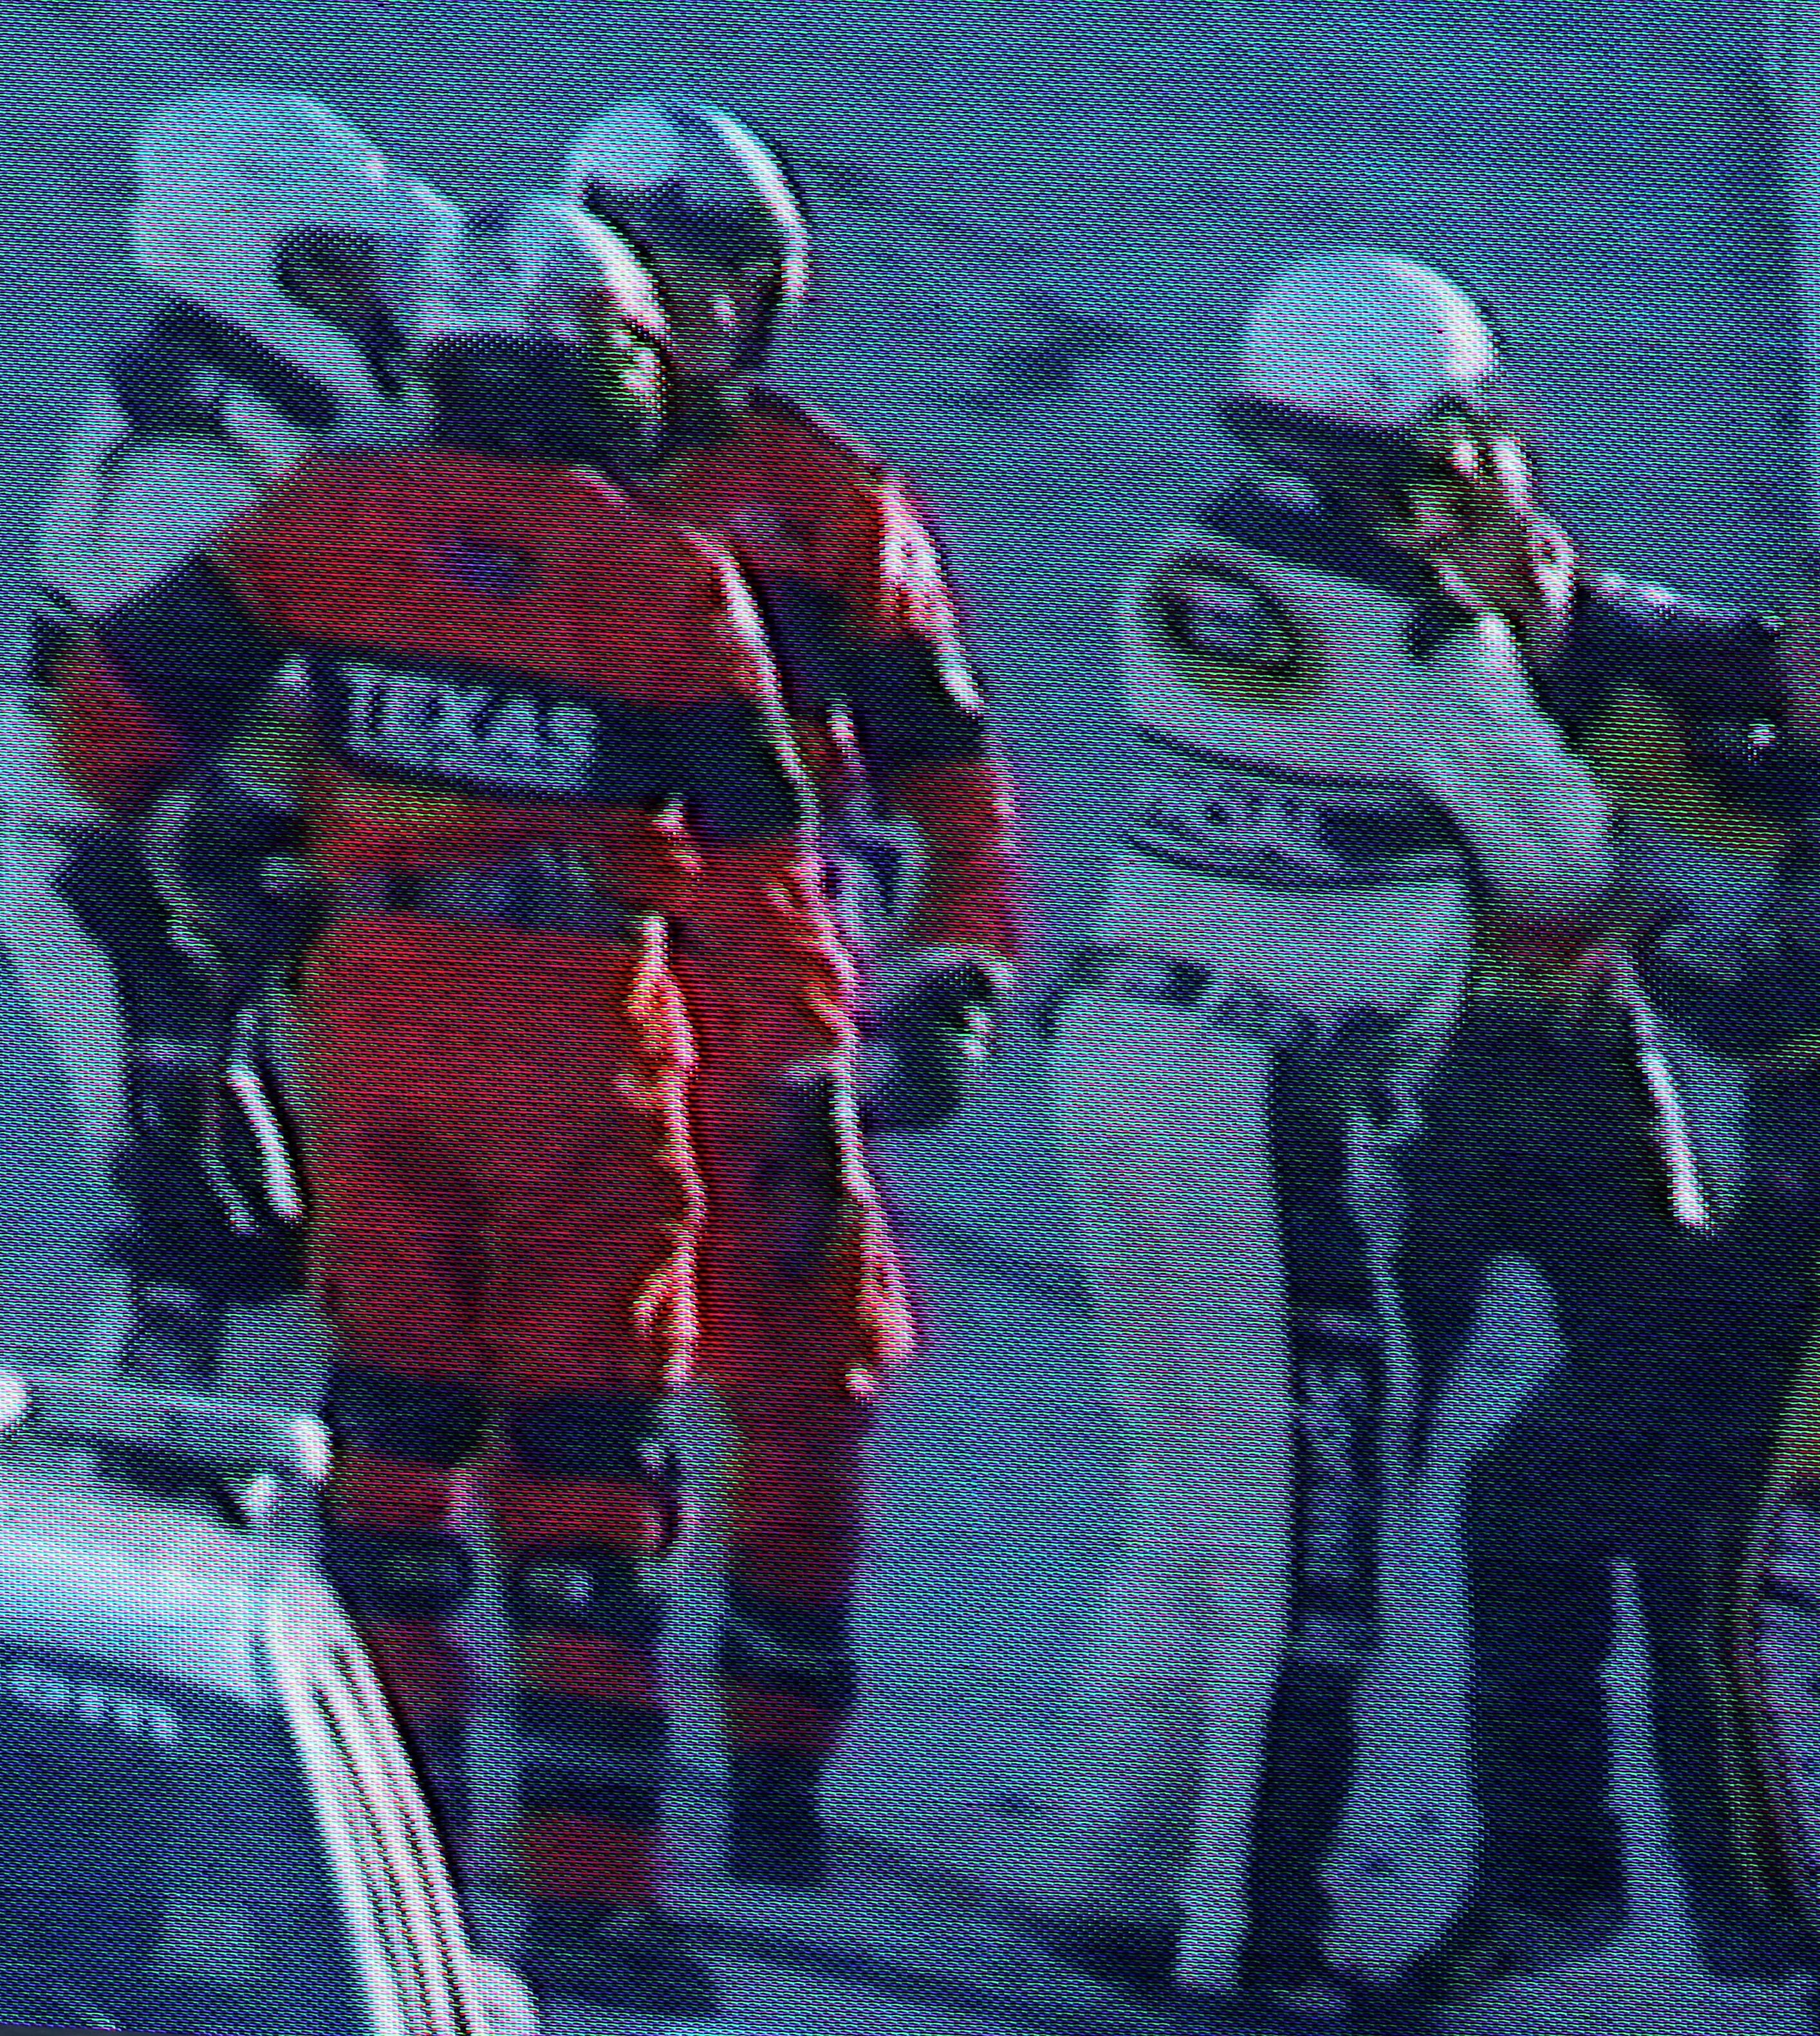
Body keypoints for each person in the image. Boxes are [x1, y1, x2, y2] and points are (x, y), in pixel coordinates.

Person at [51, 192, 859, 2019]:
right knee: (588, 1481)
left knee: (389, 1451)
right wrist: (803, 1089)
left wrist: (223, 847)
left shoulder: (324, 516)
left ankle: (393, 1852)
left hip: (384, 1023)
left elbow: (114, 724)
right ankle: (590, 1895)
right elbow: (762, 867)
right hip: (586, 1037)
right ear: (609, 365)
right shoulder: (663, 579)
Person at [1034, 246, 1611, 2012]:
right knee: (1310, 1535)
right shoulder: (1427, 641)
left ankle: (1106, 1865)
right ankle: (1255, 1943)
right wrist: (1534, 606)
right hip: (1279, 1094)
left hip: (1118, 1042)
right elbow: (1569, 864)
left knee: (1183, 1492)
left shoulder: (1176, 569)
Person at [1426, 533, 1820, 2036]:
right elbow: (1715, 672)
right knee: (1527, 1502)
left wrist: (1628, 925)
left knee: (1787, 1600)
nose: (1777, 672)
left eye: (1809, 657)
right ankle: (1553, 1879)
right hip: (1790, 1250)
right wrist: (1566, 600)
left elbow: (1751, 1004)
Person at [565, 94, 1023, 1891]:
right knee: (562, 1415)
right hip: (555, 1007)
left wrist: (961, 969)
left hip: (774, 1021)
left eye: (742, 288)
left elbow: (949, 766)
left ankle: (771, 1776)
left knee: (814, 1405)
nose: (714, 323)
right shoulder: (498, 477)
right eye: (684, 285)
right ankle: (547, 1775)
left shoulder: (830, 502)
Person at [10, 91, 454, 1386]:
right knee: (191, 1193)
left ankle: (159, 1453)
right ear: (243, 260)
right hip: (103, 842)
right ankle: (133, 1470)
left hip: (158, 837)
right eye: (332, 266)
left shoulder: (246, 421)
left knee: (252, 1205)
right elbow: (172, 719)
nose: (367, 300)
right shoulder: (189, 448)